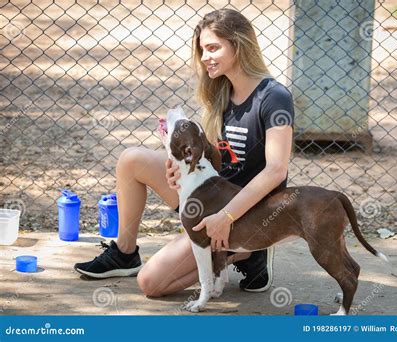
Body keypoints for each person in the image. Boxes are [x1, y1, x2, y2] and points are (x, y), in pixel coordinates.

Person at [74, 8, 294, 297]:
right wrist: (177, 166)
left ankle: (246, 250)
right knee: (131, 160)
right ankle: (125, 253)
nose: (204, 58)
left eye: (213, 48)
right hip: (212, 194)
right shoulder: (220, 93)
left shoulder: (274, 96)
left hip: (245, 212)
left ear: (239, 45)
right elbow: (215, 159)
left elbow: (276, 170)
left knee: (151, 284)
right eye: (202, 50)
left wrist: (226, 217)